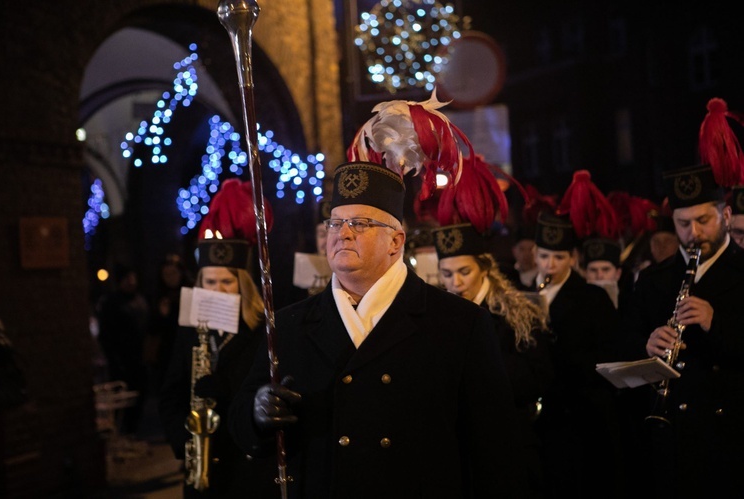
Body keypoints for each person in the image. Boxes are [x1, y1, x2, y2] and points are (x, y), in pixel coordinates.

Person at [229, 92, 530, 498]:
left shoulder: (458, 324)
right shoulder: (290, 324)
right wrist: (257, 412)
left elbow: (496, 451)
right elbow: (243, 420)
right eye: (336, 224)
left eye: (360, 223)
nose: (343, 234)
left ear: (396, 241)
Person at [620, 161, 744, 497]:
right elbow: (625, 341)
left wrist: (713, 323)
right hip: (671, 437)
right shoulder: (652, 279)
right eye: (683, 223)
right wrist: (647, 345)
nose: (694, 233)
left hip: (731, 436)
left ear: (727, 216)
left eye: (704, 220)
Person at [158, 178, 278, 498]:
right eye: (210, 281)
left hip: (245, 465)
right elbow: (170, 391)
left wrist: (227, 390)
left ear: (241, 283)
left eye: (227, 281)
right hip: (202, 461)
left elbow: (266, 393)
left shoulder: (259, 329)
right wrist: (182, 442)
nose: (218, 290)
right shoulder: (189, 329)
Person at [433, 222, 553, 497]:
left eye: (465, 272)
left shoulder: (518, 313)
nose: (456, 283)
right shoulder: (437, 315)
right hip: (455, 447)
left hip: (508, 442)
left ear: (484, 267)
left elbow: (538, 377)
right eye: (447, 274)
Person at [527, 208, 624, 499]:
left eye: (559, 257)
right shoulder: (523, 294)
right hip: (541, 411)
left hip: (577, 410)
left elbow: (608, 351)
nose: (550, 265)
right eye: (544, 256)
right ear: (534, 254)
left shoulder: (592, 297)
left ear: (573, 258)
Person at [96, 263, 150, 436]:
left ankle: (133, 430)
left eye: (133, 278)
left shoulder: (139, 300)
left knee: (139, 396)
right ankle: (123, 431)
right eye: (128, 278)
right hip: (121, 359)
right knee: (123, 398)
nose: (132, 282)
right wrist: (114, 358)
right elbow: (106, 334)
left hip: (139, 358)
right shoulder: (112, 303)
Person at [146, 253, 194, 391]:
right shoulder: (159, 296)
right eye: (166, 274)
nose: (170, 278)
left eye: (173, 273)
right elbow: (152, 329)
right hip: (167, 354)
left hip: (188, 349)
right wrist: (162, 315)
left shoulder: (190, 291)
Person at [580, 237, 625, 310]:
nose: (599, 276)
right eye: (593, 270)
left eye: (605, 269)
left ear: (618, 274)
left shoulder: (631, 305)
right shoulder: (573, 306)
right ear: (585, 273)